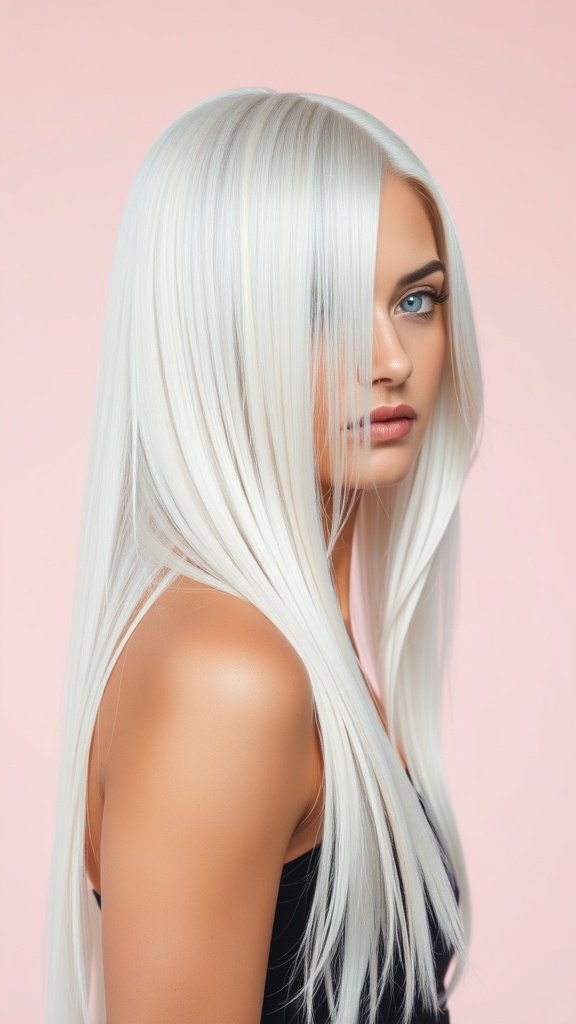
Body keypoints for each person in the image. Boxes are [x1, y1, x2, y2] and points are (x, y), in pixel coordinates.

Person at [44, 87, 483, 1024]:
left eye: (416, 299)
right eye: (319, 305)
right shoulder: (230, 676)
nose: (392, 357)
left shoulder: (295, 651)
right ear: (213, 329)